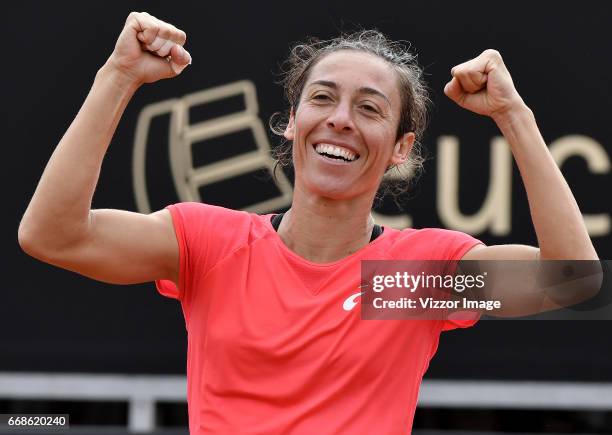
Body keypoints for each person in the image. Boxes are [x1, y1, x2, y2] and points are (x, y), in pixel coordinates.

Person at [18, 12, 598, 434]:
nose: (340, 120)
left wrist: (512, 115)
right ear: (292, 123)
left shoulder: (405, 281)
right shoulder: (210, 243)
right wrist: (119, 76)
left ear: (401, 148)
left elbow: (572, 283)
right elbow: (51, 235)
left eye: (369, 108)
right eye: (322, 99)